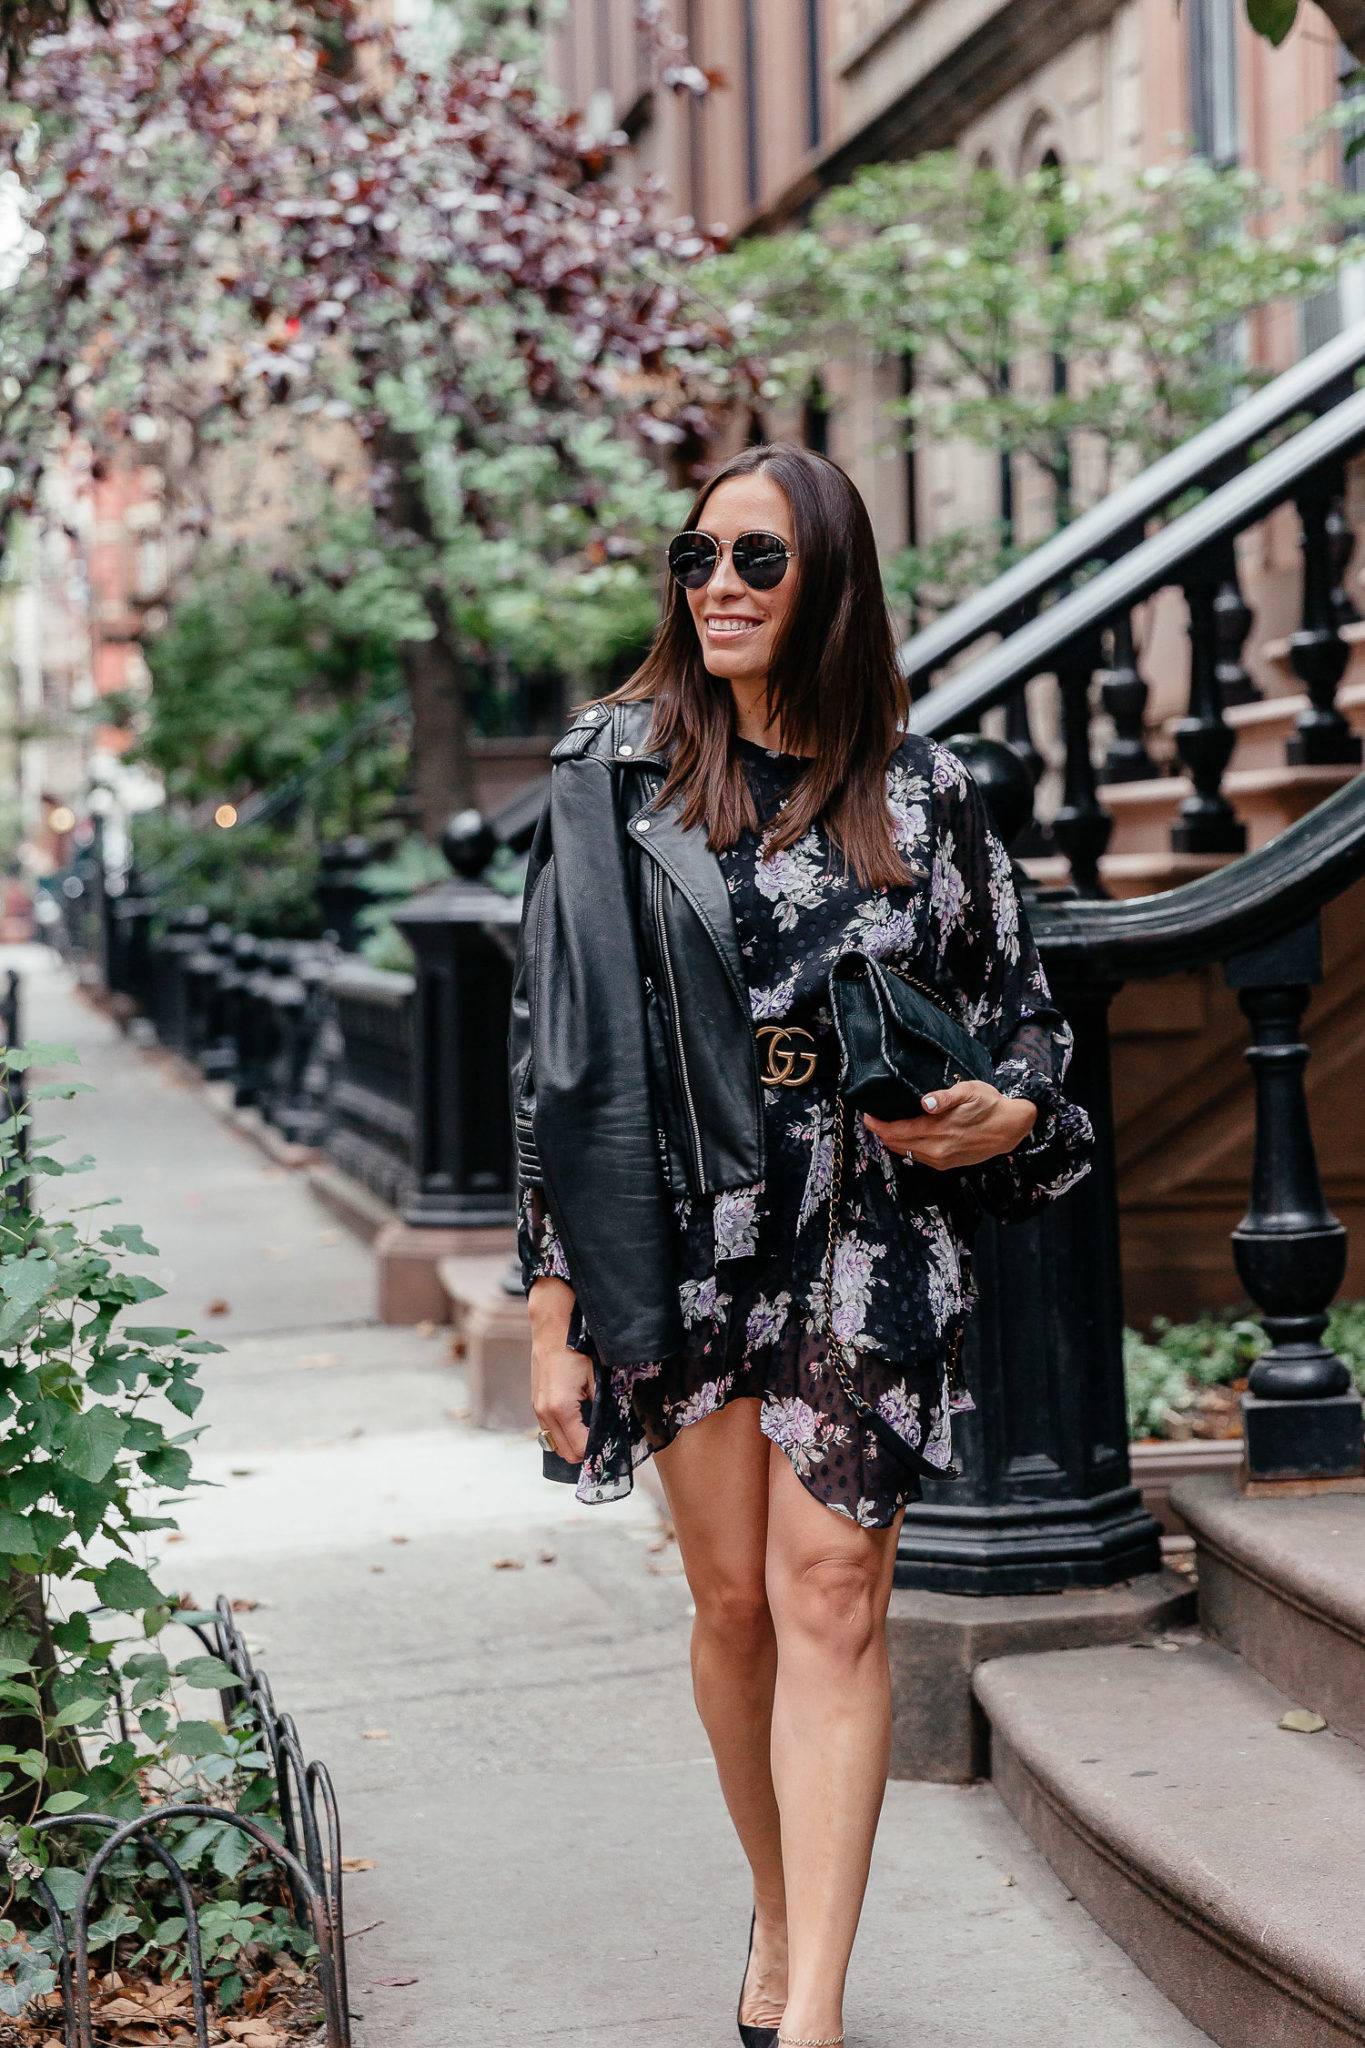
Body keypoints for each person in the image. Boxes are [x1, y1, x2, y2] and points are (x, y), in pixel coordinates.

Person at [509, 444, 1093, 2048]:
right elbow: (553, 1052)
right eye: (695, 557)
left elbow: (1027, 1032)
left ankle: (812, 2010)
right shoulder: (610, 778)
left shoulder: (922, 790)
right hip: (679, 1222)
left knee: (830, 1588)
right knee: (733, 1603)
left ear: (828, 580)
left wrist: (1004, 1115)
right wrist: (552, 1299)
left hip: (867, 1219)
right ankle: (775, 1900)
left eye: (755, 562)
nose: (714, 587)